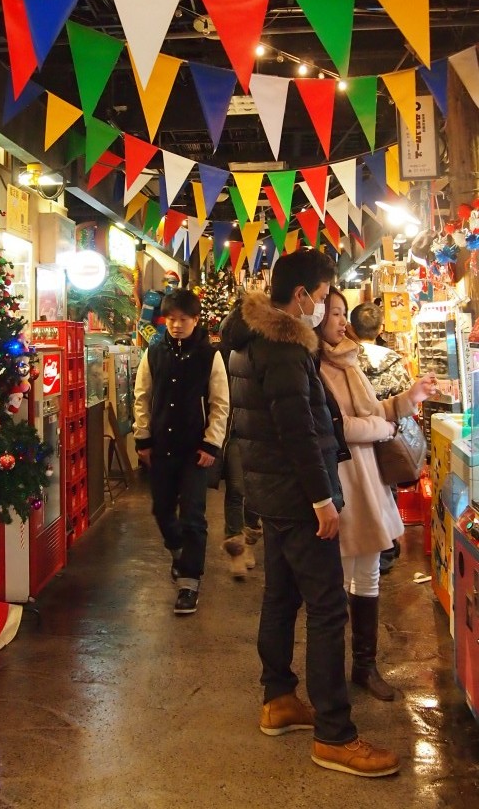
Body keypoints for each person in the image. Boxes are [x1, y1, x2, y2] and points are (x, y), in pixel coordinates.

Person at [226, 247, 400, 778]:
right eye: (324, 298)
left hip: (272, 495)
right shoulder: (282, 346)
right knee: (327, 609)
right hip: (299, 499)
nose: (327, 309)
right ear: (301, 296)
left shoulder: (249, 336)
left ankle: (278, 698)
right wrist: (323, 499)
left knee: (280, 596)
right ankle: (334, 734)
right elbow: (296, 430)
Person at [318, 287, 436, 701]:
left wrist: (409, 398)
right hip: (340, 481)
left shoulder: (349, 361)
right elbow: (340, 427)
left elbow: (372, 411)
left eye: (340, 313)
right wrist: (384, 429)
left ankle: (364, 666)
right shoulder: (314, 367)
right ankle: (334, 675)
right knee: (336, 577)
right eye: (332, 313)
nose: (339, 321)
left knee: (366, 574)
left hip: (367, 478)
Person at [133, 288, 230, 616]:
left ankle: (189, 581)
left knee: (193, 516)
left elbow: (220, 403)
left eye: (183, 320)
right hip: (161, 447)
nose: (176, 325)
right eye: (171, 319)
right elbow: (142, 395)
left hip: (194, 450)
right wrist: (143, 438)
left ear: (196, 320)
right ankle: (177, 550)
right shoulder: (154, 351)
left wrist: (211, 443)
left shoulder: (209, 355)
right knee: (161, 510)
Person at [350, 300, 412, 574]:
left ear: (352, 327)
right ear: (380, 328)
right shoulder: (395, 361)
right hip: (389, 437)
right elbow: (407, 399)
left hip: (359, 438)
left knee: (362, 492)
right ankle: (387, 549)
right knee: (390, 490)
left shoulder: (348, 360)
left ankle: (367, 544)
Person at [218, 302, 262, 580]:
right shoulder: (221, 353)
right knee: (236, 487)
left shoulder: (264, 351)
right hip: (233, 428)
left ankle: (248, 536)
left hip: (259, 430)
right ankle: (236, 547)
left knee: (255, 488)